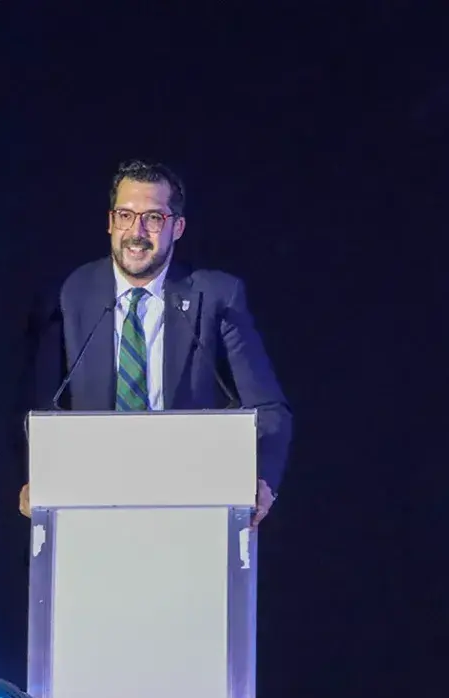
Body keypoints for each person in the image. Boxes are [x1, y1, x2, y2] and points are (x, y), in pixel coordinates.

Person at [18, 160, 292, 526]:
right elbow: (37, 410)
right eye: (125, 216)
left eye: (153, 218)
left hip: (192, 499)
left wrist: (262, 480)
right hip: (92, 502)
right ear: (110, 222)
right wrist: (35, 474)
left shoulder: (216, 297)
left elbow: (269, 409)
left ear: (177, 227)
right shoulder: (69, 294)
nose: (136, 232)